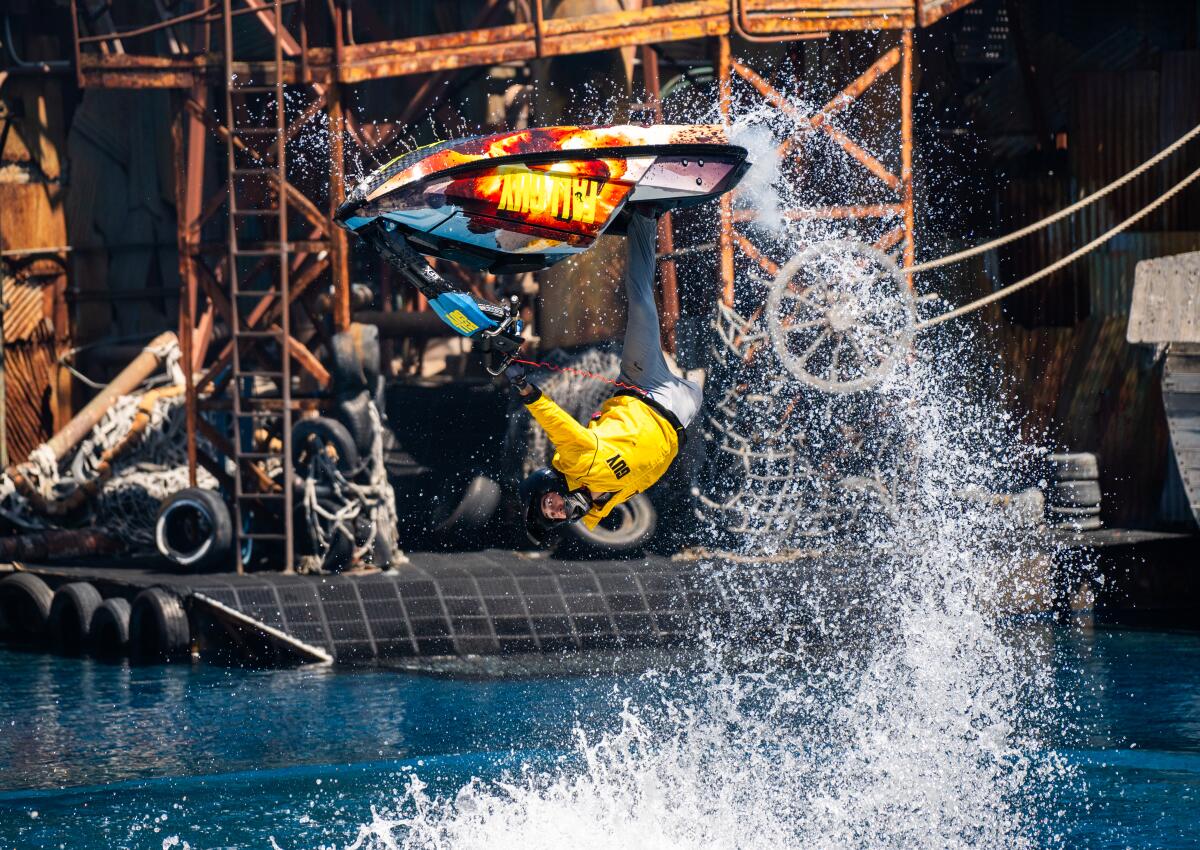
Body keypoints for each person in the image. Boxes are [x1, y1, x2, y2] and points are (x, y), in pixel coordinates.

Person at [506, 210, 703, 543]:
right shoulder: (603, 506)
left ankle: (646, 216)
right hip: (684, 411)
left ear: (552, 487)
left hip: (645, 385)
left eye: (548, 503)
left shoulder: (574, 462)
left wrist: (526, 389)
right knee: (708, 368)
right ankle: (708, 342)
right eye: (553, 515)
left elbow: (555, 422)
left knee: (641, 303)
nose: (554, 509)